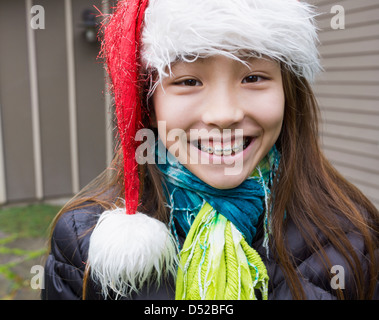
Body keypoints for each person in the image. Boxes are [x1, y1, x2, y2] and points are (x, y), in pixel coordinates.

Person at [42, 0, 379, 300]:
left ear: (288, 93)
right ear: (148, 103)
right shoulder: (83, 244)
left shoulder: (353, 236)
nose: (224, 115)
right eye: (188, 81)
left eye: (253, 78)